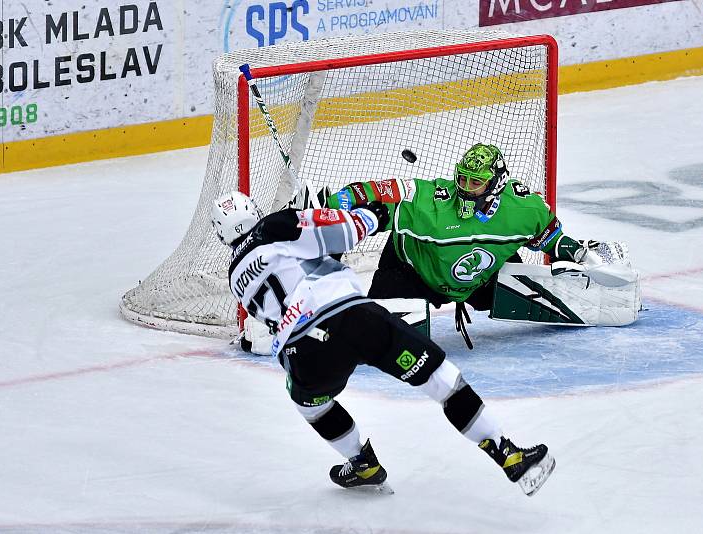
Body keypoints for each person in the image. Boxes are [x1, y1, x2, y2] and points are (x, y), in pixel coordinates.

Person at [210, 191, 555, 496]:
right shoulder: (273, 226)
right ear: (252, 210)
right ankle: (506, 452)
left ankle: (362, 463)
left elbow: (295, 276)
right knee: (440, 379)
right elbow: (340, 233)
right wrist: (373, 215)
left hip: (303, 355)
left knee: (313, 407)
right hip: (351, 318)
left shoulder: (234, 276)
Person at [326, 143, 612, 346]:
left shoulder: (525, 210)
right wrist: (344, 201)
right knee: (374, 338)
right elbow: (379, 192)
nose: (464, 187)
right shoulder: (431, 203)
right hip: (412, 273)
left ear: (496, 185)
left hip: (482, 280)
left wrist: (578, 253)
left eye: (475, 182)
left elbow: (551, 240)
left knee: (525, 281)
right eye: (461, 178)